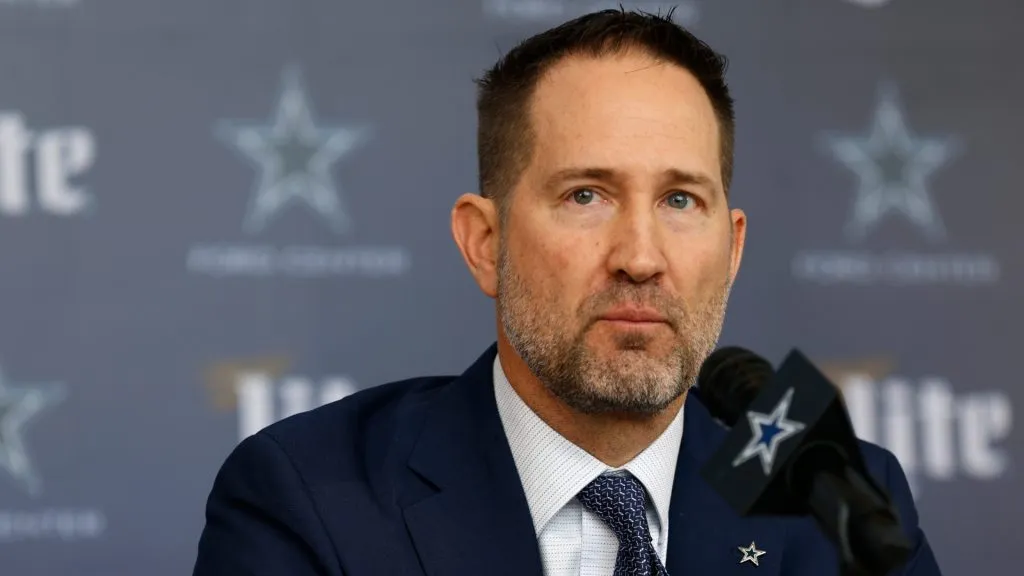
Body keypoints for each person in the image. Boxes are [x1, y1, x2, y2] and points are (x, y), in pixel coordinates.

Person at [192, 8, 941, 576]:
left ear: (734, 247)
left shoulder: (835, 489)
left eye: (681, 200)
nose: (642, 258)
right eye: (587, 195)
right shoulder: (312, 496)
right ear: (485, 243)